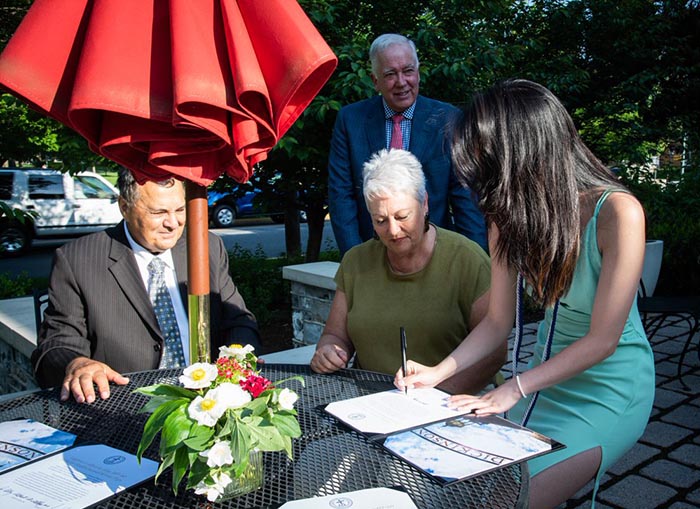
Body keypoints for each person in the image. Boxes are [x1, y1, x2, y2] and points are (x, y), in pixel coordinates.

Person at [395, 79, 655, 508]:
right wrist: (437, 373)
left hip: (608, 389)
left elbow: (604, 340)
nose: (482, 185)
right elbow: (499, 321)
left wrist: (515, 388)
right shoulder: (510, 214)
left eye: (488, 167)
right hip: (539, 379)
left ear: (524, 154)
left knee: (517, 499)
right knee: (478, 486)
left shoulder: (618, 213)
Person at [32, 168, 261, 404]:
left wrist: (238, 359)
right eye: (158, 212)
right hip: (122, 409)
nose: (173, 223)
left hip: (208, 404)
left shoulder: (206, 246)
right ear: (124, 207)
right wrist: (77, 364)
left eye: (180, 209)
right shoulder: (79, 260)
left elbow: (239, 320)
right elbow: (56, 344)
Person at [312, 149, 505, 394]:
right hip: (370, 401)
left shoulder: (466, 260)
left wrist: (437, 399)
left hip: (451, 403)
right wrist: (329, 352)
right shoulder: (356, 261)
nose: (393, 231)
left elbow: (494, 354)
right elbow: (334, 336)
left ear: (424, 203)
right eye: (380, 220)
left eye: (402, 216)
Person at [328, 33, 487, 257]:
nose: (402, 82)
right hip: (372, 254)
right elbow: (340, 196)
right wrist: (356, 262)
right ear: (375, 81)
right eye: (391, 74)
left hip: (435, 255)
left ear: (418, 73)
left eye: (408, 71)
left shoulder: (449, 120)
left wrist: (475, 262)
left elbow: (466, 198)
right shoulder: (350, 120)